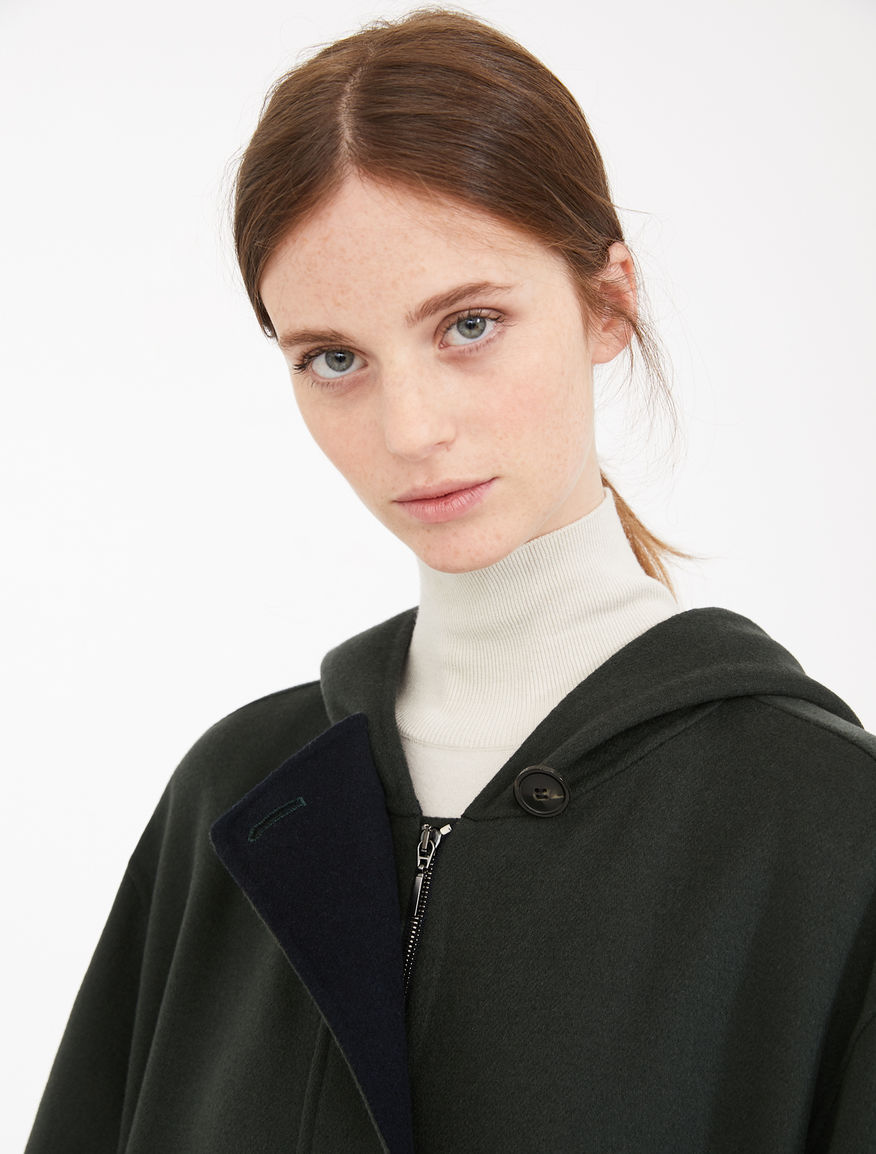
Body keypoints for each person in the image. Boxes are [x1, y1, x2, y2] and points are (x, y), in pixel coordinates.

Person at [25, 10, 876, 1154]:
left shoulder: (829, 831)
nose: (409, 428)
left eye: (469, 324)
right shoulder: (236, 799)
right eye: (334, 358)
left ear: (609, 300)